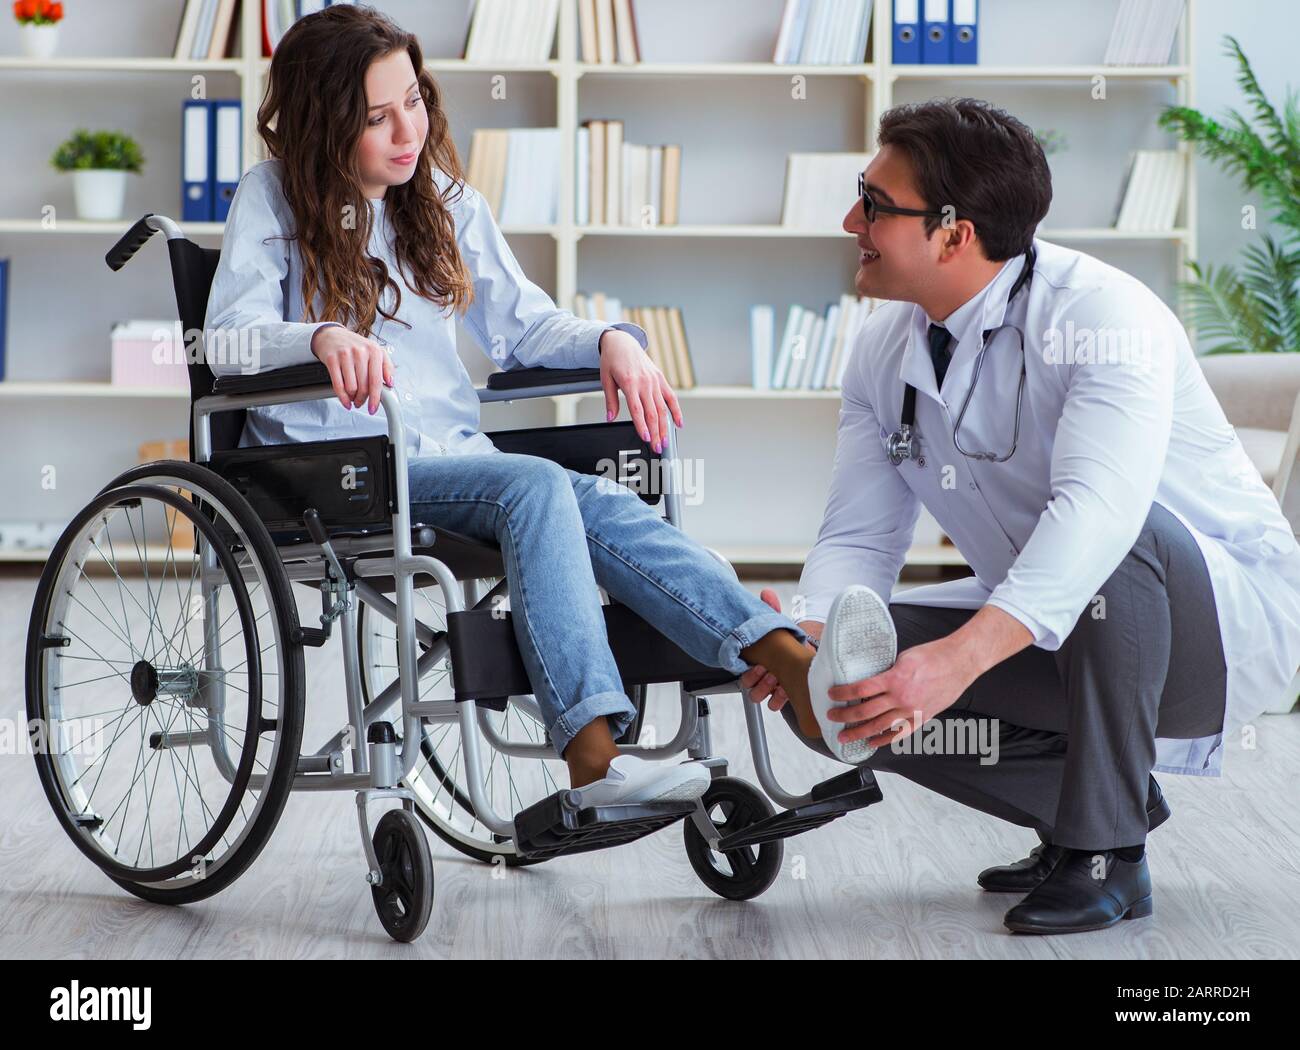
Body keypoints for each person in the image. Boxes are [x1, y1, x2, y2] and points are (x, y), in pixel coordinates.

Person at [203, 4, 829, 807]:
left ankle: (790, 663)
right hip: (338, 471)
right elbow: (229, 341)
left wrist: (613, 340)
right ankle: (596, 757)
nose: (408, 130)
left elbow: (526, 327)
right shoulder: (273, 199)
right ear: (326, 124)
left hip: (451, 463)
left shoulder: (444, 201)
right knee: (535, 485)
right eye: (377, 117)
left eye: (415, 101)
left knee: (594, 494)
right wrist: (320, 337)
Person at [743, 98, 1300, 934]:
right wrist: (812, 633)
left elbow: (1097, 518)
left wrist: (959, 660)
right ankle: (1088, 804)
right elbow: (860, 534)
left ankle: (1106, 852)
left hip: (1206, 637)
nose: (850, 218)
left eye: (875, 204)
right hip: (1055, 632)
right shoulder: (882, 347)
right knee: (829, 690)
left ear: (953, 233)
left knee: (1122, 533)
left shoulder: (1104, 319)